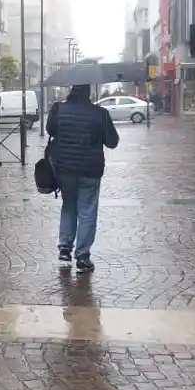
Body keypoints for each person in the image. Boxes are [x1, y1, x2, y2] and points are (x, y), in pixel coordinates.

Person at [46, 84, 119, 274]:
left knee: (68, 206)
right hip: (90, 169)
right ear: (89, 92)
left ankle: (64, 248)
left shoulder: (58, 109)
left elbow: (50, 130)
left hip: (64, 168)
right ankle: (82, 256)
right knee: (87, 211)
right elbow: (112, 142)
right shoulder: (100, 114)